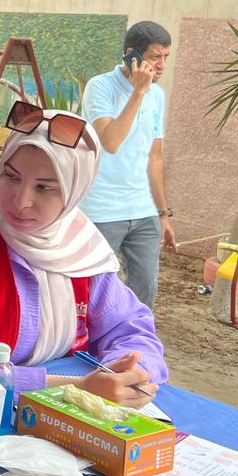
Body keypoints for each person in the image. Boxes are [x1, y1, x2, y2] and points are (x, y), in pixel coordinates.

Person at [0, 103, 167, 407]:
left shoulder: (79, 245)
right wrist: (74, 389)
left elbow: (130, 328)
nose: (20, 201)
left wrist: (129, 373)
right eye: (11, 176)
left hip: (50, 418)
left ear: (75, 190)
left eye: (44, 188)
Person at [80, 20, 177, 307]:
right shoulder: (100, 86)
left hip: (143, 210)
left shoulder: (157, 96)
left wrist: (163, 214)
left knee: (145, 288)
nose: (161, 65)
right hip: (102, 209)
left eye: (166, 57)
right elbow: (111, 142)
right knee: (93, 287)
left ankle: (134, 333)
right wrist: (138, 93)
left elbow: (154, 157)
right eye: (155, 57)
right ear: (131, 55)